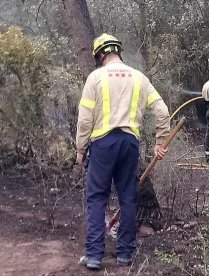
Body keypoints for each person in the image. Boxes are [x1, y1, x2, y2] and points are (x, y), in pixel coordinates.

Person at [76, 33, 171, 270]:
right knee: (128, 198)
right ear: (118, 51)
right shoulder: (139, 77)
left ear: (100, 55)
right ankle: (124, 255)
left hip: (102, 144)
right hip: (129, 143)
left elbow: (85, 119)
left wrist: (80, 149)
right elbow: (162, 111)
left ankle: (95, 256)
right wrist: (161, 142)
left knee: (97, 198)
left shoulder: (95, 77)